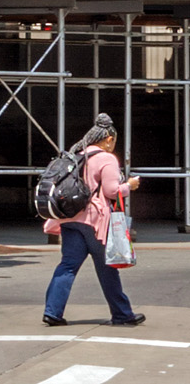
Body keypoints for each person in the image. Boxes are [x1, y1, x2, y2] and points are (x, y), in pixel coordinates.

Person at [43, 116, 144, 328]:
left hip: (69, 219)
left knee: (68, 266)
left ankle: (52, 312)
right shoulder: (107, 159)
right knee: (108, 268)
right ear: (108, 139)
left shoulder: (77, 156)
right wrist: (130, 186)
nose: (113, 145)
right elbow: (111, 191)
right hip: (95, 222)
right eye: (113, 141)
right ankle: (122, 314)